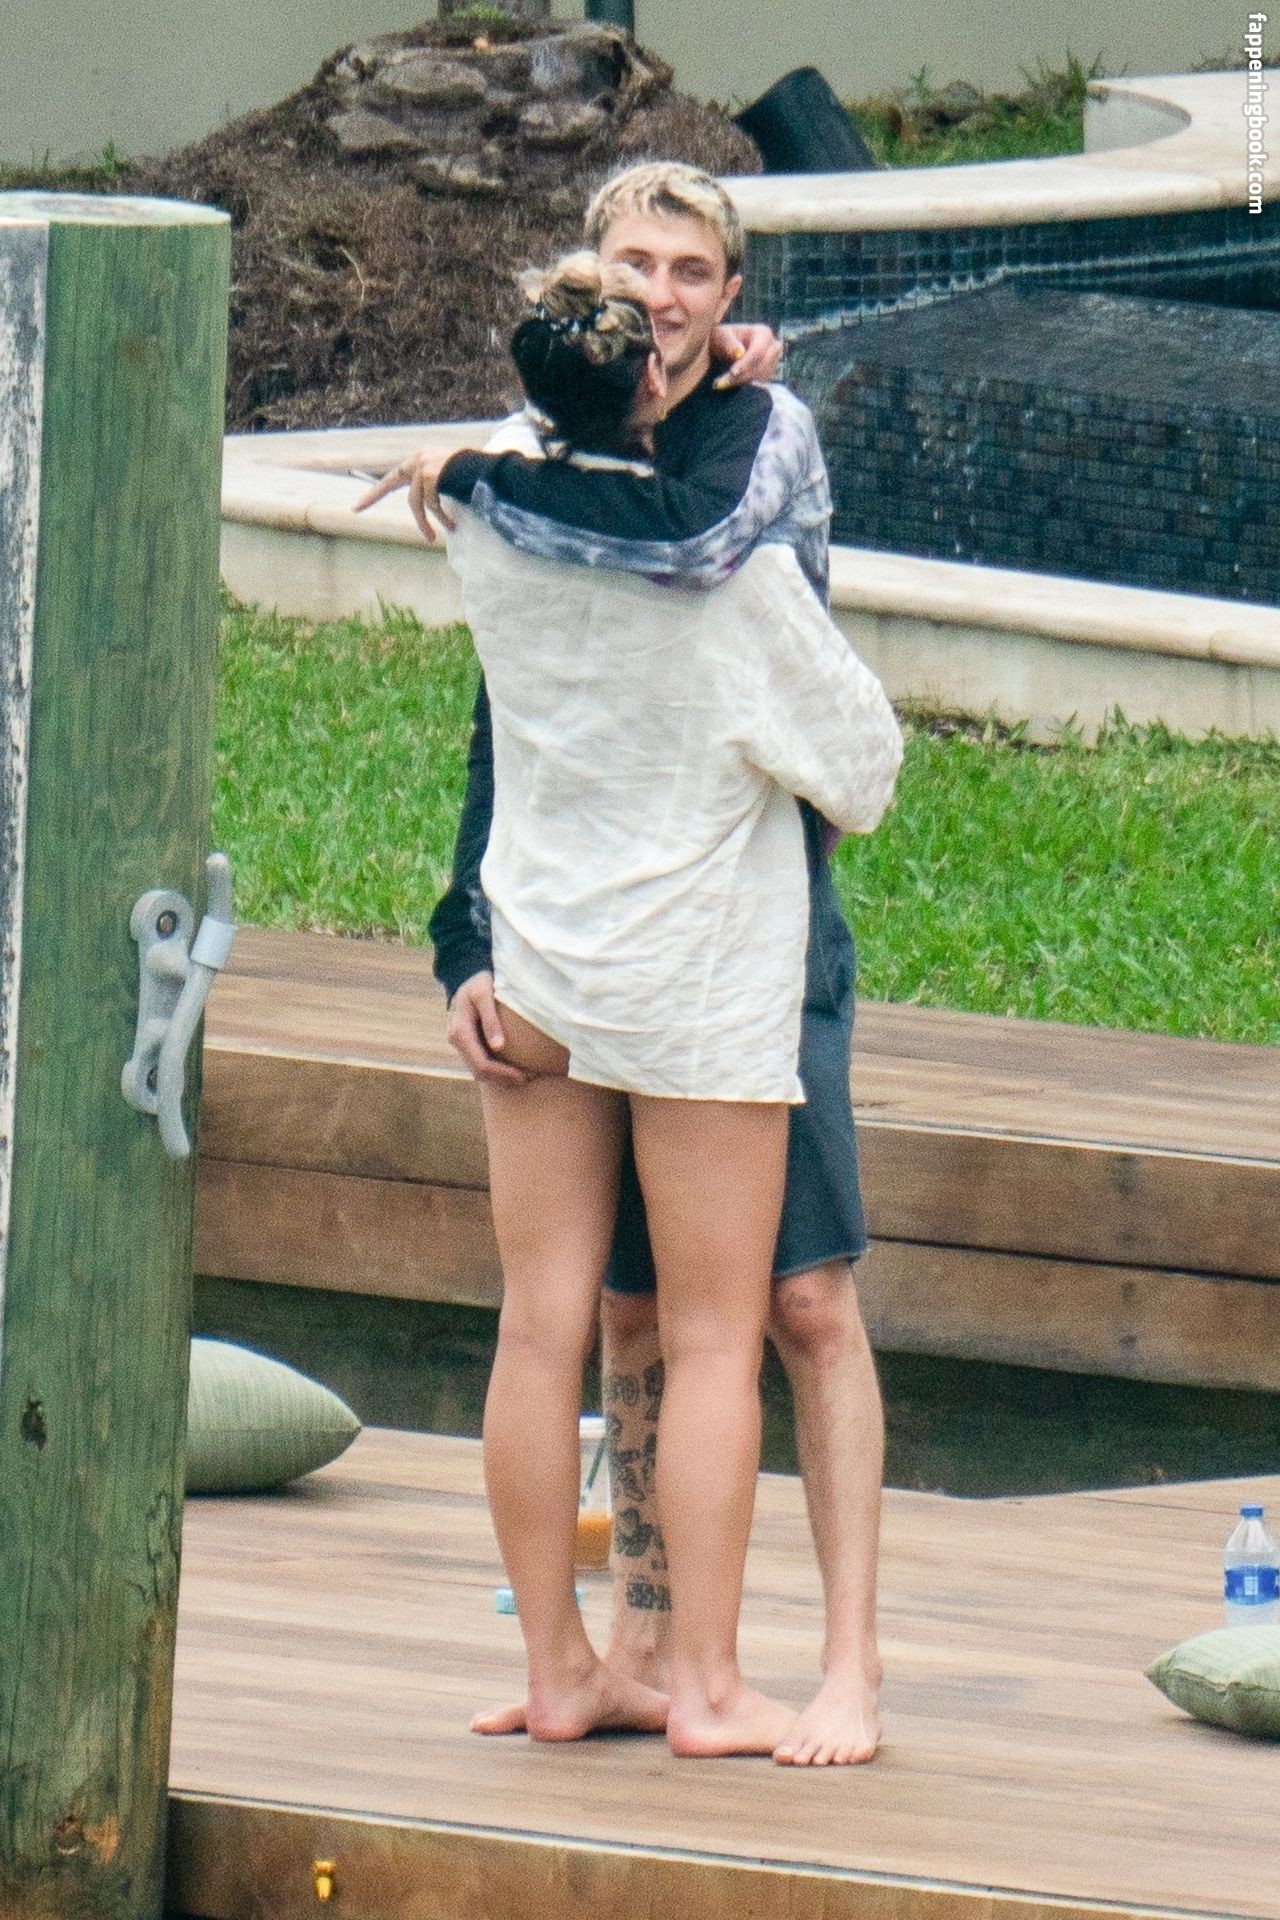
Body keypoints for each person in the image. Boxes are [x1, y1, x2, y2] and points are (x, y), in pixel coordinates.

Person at [362, 161, 889, 1767]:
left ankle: (564, 1667)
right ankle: (708, 1687)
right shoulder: (726, 586)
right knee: (715, 1335)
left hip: (550, 964)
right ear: (610, 312)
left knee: (542, 1325)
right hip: (699, 974)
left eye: (690, 271)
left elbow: (516, 713)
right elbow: (857, 765)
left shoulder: (490, 525)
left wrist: (470, 468)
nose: (662, 295)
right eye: (634, 271)